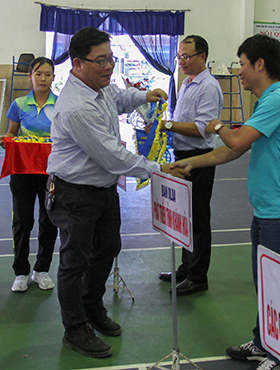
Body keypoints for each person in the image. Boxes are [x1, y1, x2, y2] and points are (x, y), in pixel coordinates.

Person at [46, 27, 187, 359]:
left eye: (111, 58)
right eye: (101, 61)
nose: (109, 66)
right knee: (74, 261)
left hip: (102, 188)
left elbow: (120, 99)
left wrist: (144, 96)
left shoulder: (100, 87)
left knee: (108, 247)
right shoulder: (77, 106)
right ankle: (74, 328)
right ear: (77, 64)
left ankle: (91, 306)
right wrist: (157, 169)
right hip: (74, 193)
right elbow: (112, 156)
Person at [173, 34, 280, 370]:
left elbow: (232, 138)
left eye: (243, 65)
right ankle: (265, 342)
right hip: (267, 212)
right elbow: (231, 149)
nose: (239, 72)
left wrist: (215, 123)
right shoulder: (266, 103)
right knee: (266, 285)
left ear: (260, 65)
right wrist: (191, 163)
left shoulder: (277, 100)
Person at [158, 35, 223, 295]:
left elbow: (201, 128)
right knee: (184, 215)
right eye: (179, 57)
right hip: (182, 155)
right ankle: (186, 268)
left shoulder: (208, 86)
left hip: (199, 157)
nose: (181, 61)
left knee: (197, 217)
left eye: (186, 56)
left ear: (202, 57)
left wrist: (168, 125)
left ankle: (198, 276)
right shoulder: (186, 83)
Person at [0, 57, 58, 292]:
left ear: (53, 77)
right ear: (30, 76)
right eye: (38, 74)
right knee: (22, 222)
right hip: (23, 172)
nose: (43, 78)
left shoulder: (61, 104)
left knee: (49, 221)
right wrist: (8, 141)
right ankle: (21, 271)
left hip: (52, 173)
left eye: (48, 74)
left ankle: (41, 270)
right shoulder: (19, 104)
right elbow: (11, 132)